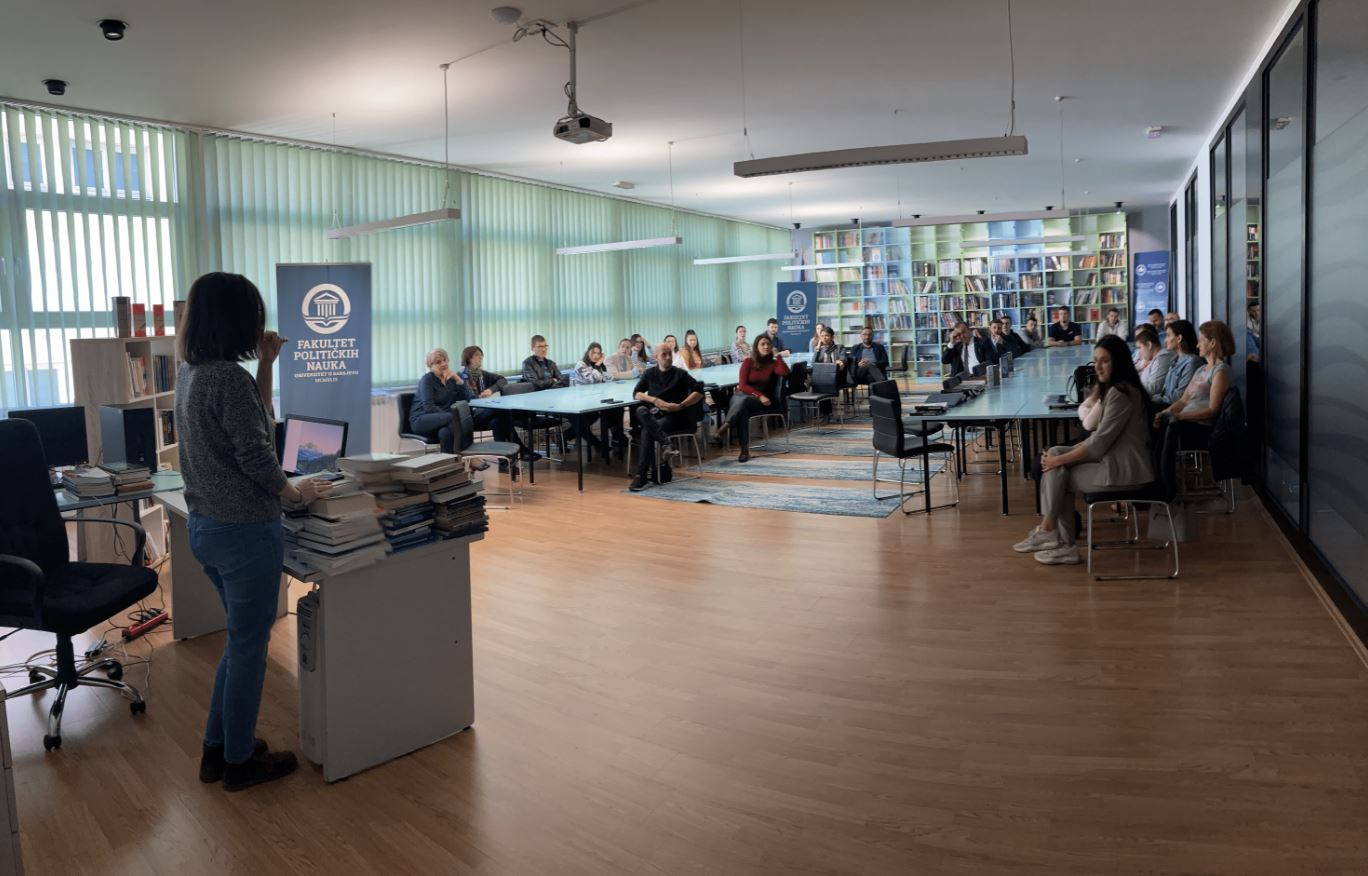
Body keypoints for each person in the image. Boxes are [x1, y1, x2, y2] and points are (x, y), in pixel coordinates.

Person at [176, 271, 332, 790]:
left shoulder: (192, 374)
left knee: (240, 640)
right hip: (244, 531)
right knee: (248, 647)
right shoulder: (228, 379)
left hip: (207, 528)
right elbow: (259, 456)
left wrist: (266, 364)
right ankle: (239, 762)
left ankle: (216, 750)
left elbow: (256, 422)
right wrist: (295, 493)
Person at [1013, 335, 1154, 565]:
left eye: (1104, 361)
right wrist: (1059, 455)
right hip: (1113, 462)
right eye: (1095, 361)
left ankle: (1057, 538)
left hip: (1125, 472)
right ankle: (1055, 536)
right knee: (1055, 453)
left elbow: (1097, 446)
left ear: (1118, 362)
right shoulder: (1117, 389)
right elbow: (1097, 438)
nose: (1097, 367)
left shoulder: (1121, 394)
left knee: (1058, 473)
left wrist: (1059, 461)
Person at [629, 343, 705, 491]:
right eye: (664, 354)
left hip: (678, 416)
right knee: (641, 410)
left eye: (669, 353)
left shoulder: (680, 374)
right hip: (657, 415)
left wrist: (681, 405)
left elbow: (699, 391)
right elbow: (636, 393)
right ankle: (666, 443)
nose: (668, 357)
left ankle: (641, 475)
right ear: (656, 356)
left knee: (647, 430)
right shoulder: (649, 373)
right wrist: (654, 400)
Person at [1154, 320, 1235, 444]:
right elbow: (1183, 400)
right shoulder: (1201, 369)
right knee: (1161, 421)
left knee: (1169, 428)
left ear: (1212, 343)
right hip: (1186, 423)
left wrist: (1180, 416)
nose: (1197, 345)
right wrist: (1165, 412)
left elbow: (1213, 410)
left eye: (1201, 340)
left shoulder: (1221, 371)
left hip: (1200, 428)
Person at [716, 335, 789, 463]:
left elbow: (784, 372)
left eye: (768, 344)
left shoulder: (773, 363)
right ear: (756, 347)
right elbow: (742, 386)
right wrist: (759, 395)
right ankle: (743, 449)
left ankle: (726, 426)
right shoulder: (748, 362)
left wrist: (778, 356)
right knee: (743, 406)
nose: (766, 346)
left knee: (743, 405)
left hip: (758, 401)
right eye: (762, 344)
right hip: (742, 396)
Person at [458, 345, 532, 460]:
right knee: (502, 411)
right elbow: (468, 397)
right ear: (469, 358)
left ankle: (503, 461)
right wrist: (478, 397)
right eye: (477, 355)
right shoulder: (461, 376)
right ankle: (521, 449)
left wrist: (491, 390)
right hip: (471, 415)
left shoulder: (483, 374)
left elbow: (503, 380)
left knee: (497, 421)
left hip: (485, 413)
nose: (480, 358)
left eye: (481, 355)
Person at [408, 348, 476, 457]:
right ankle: (470, 456)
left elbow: (467, 400)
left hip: (444, 420)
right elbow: (429, 407)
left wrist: (459, 381)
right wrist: (450, 416)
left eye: (445, 360)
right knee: (455, 417)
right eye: (438, 362)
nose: (444, 364)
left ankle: (450, 463)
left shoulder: (451, 378)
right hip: (421, 419)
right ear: (430, 366)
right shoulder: (427, 380)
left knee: (445, 433)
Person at [569, 342, 622, 463]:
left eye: (598, 353)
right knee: (587, 419)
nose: (596, 356)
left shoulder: (597, 366)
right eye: (593, 353)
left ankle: (566, 435)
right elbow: (592, 379)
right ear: (588, 352)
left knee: (612, 409)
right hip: (581, 401)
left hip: (594, 399)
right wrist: (598, 365)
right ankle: (598, 445)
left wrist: (611, 375)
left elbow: (606, 378)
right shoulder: (581, 364)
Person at [1151, 319, 1202, 406]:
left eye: (1168, 335)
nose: (1165, 340)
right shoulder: (1175, 359)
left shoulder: (1192, 362)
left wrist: (1154, 400)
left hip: (1175, 409)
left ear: (1179, 338)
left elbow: (1179, 397)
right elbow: (1164, 392)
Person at [1133, 326, 1174, 399]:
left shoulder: (1162, 358)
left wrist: (1130, 389)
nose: (1139, 352)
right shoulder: (1154, 359)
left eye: (1140, 348)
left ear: (1149, 345)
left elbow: (1154, 388)